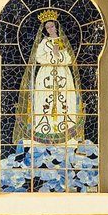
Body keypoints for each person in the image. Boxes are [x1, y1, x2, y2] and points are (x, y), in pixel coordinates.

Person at [13, 9, 85, 147]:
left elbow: (69, 59)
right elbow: (39, 58)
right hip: (46, 75)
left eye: (52, 26)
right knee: (44, 101)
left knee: (64, 101)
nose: (50, 29)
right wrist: (52, 54)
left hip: (63, 75)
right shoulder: (43, 43)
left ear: (56, 27)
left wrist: (58, 55)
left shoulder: (63, 41)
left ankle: (66, 132)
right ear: (45, 29)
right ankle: (44, 131)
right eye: (47, 27)